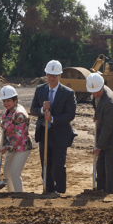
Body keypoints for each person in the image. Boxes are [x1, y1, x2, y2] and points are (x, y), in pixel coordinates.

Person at [30, 60, 77, 193]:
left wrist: (53, 118)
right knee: (46, 164)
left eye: (54, 76)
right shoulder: (40, 90)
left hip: (60, 135)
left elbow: (70, 115)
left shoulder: (68, 93)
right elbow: (33, 109)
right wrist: (41, 111)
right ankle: (48, 190)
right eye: (49, 75)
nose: (52, 78)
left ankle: (60, 192)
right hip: (44, 133)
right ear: (46, 75)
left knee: (58, 166)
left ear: (60, 76)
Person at [87, 73, 113, 194]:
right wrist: (97, 115)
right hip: (106, 132)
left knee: (109, 164)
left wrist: (99, 146)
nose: (95, 95)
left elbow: (108, 128)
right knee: (101, 162)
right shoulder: (97, 92)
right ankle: (101, 188)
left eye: (97, 92)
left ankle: (110, 191)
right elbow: (96, 104)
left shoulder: (109, 102)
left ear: (102, 86)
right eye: (92, 92)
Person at [0, 85, 32, 193]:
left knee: (15, 173)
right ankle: (11, 194)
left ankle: (19, 195)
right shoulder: (7, 112)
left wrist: (5, 147)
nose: (6, 103)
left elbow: (18, 136)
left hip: (22, 147)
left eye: (8, 100)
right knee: (7, 172)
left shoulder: (20, 114)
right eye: (4, 101)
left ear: (15, 100)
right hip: (11, 147)